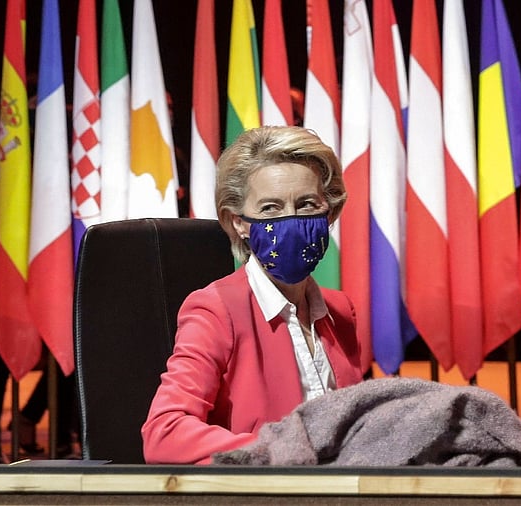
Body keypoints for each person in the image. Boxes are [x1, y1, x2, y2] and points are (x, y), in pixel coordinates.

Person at [141, 126, 364, 464]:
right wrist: (279, 451)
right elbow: (165, 432)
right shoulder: (216, 310)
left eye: (306, 205)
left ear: (328, 213)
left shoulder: (340, 311)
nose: (290, 219)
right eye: (271, 208)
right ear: (238, 223)